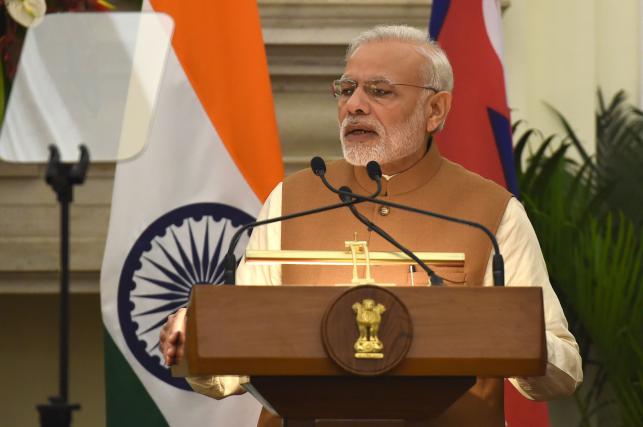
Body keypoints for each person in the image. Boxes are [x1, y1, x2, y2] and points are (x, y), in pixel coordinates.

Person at [159, 25, 582, 427]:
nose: (354, 105)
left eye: (379, 91)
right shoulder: (292, 200)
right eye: (347, 89)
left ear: (435, 109)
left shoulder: (491, 211)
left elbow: (562, 368)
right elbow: (235, 363)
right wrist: (196, 344)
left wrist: (511, 338)